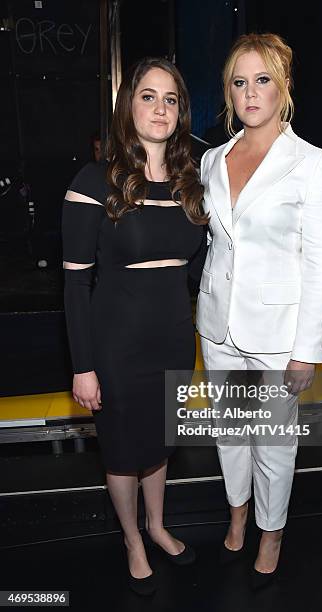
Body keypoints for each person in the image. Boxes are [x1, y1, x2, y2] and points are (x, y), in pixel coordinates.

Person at [196, 33, 322, 589]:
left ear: (284, 86)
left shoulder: (312, 164)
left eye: (262, 80)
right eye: (239, 82)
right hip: (218, 323)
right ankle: (237, 512)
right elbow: (215, 244)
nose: (250, 93)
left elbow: (321, 264)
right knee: (230, 433)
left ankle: (271, 530)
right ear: (229, 92)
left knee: (275, 442)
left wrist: (308, 350)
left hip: (279, 330)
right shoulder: (213, 159)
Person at [62, 57, 208, 596]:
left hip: (172, 340)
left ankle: (158, 525)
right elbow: (76, 285)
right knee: (124, 452)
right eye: (148, 96)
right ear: (129, 106)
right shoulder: (92, 182)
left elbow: (196, 269)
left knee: (160, 444)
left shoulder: (191, 184)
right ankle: (132, 539)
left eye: (170, 99)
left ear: (180, 112)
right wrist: (84, 366)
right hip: (116, 347)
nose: (160, 108)